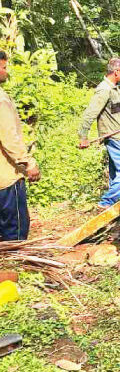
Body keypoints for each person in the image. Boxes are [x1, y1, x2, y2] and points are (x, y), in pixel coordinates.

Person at [78, 57, 120, 208]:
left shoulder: (114, 89)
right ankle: (106, 202)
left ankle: (110, 206)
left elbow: (116, 111)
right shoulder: (104, 90)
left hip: (118, 133)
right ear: (117, 71)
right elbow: (90, 114)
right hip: (116, 137)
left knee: (117, 173)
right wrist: (83, 136)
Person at [0, 51, 41, 241]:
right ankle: (15, 265)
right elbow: (8, 137)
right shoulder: (0, 100)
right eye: (3, 67)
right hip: (7, 176)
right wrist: (28, 162)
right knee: (14, 228)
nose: (5, 72)